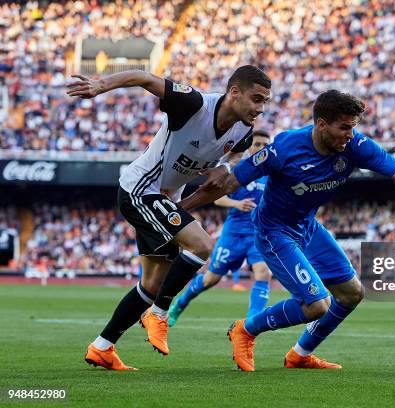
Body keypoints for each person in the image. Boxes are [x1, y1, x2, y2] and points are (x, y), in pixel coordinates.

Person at [179, 89, 395, 371]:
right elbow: (230, 183)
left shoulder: (355, 146)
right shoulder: (285, 148)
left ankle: (300, 354)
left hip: (307, 226)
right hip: (274, 231)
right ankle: (245, 329)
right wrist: (179, 210)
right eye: (344, 127)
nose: (350, 134)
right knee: (318, 305)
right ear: (321, 124)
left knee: (352, 293)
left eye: (353, 127)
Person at [66, 65, 271, 370]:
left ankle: (102, 347)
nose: (260, 108)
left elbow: (230, 164)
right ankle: (159, 313)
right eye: (256, 99)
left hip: (165, 199)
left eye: (265, 102)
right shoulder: (194, 104)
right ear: (234, 92)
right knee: (202, 246)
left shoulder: (243, 134)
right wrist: (102, 85)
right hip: (139, 189)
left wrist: (225, 170)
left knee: (150, 285)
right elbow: (144, 77)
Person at [168, 130, 273, 327]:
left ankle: (251, 324)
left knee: (263, 273)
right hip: (233, 234)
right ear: (250, 147)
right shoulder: (239, 169)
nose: (261, 148)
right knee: (210, 279)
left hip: (257, 234)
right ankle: (179, 304)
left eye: (265, 145)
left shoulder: (271, 174)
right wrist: (236, 204)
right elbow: (217, 198)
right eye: (257, 144)